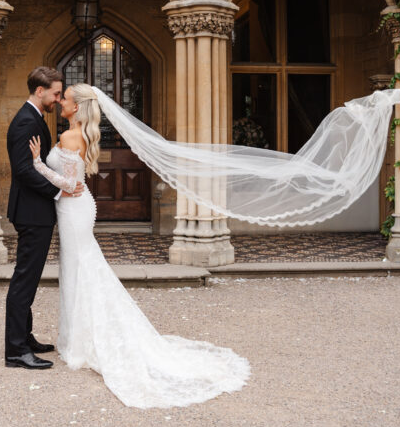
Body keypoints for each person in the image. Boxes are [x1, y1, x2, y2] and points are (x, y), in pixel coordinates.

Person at [28, 83, 251, 408]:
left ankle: (80, 344)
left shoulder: (69, 137)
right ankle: (75, 340)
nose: (61, 101)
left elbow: (73, 186)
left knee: (81, 271)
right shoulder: (78, 134)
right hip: (73, 210)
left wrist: (37, 163)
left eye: (66, 99)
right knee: (77, 271)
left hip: (74, 210)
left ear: (76, 108)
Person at [4, 67, 83, 370]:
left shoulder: (35, 118)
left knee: (29, 278)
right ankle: (16, 351)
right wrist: (59, 191)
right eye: (55, 94)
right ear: (40, 91)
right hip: (31, 212)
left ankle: (25, 337)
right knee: (25, 280)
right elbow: (24, 170)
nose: (57, 99)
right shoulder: (25, 122)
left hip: (36, 211)